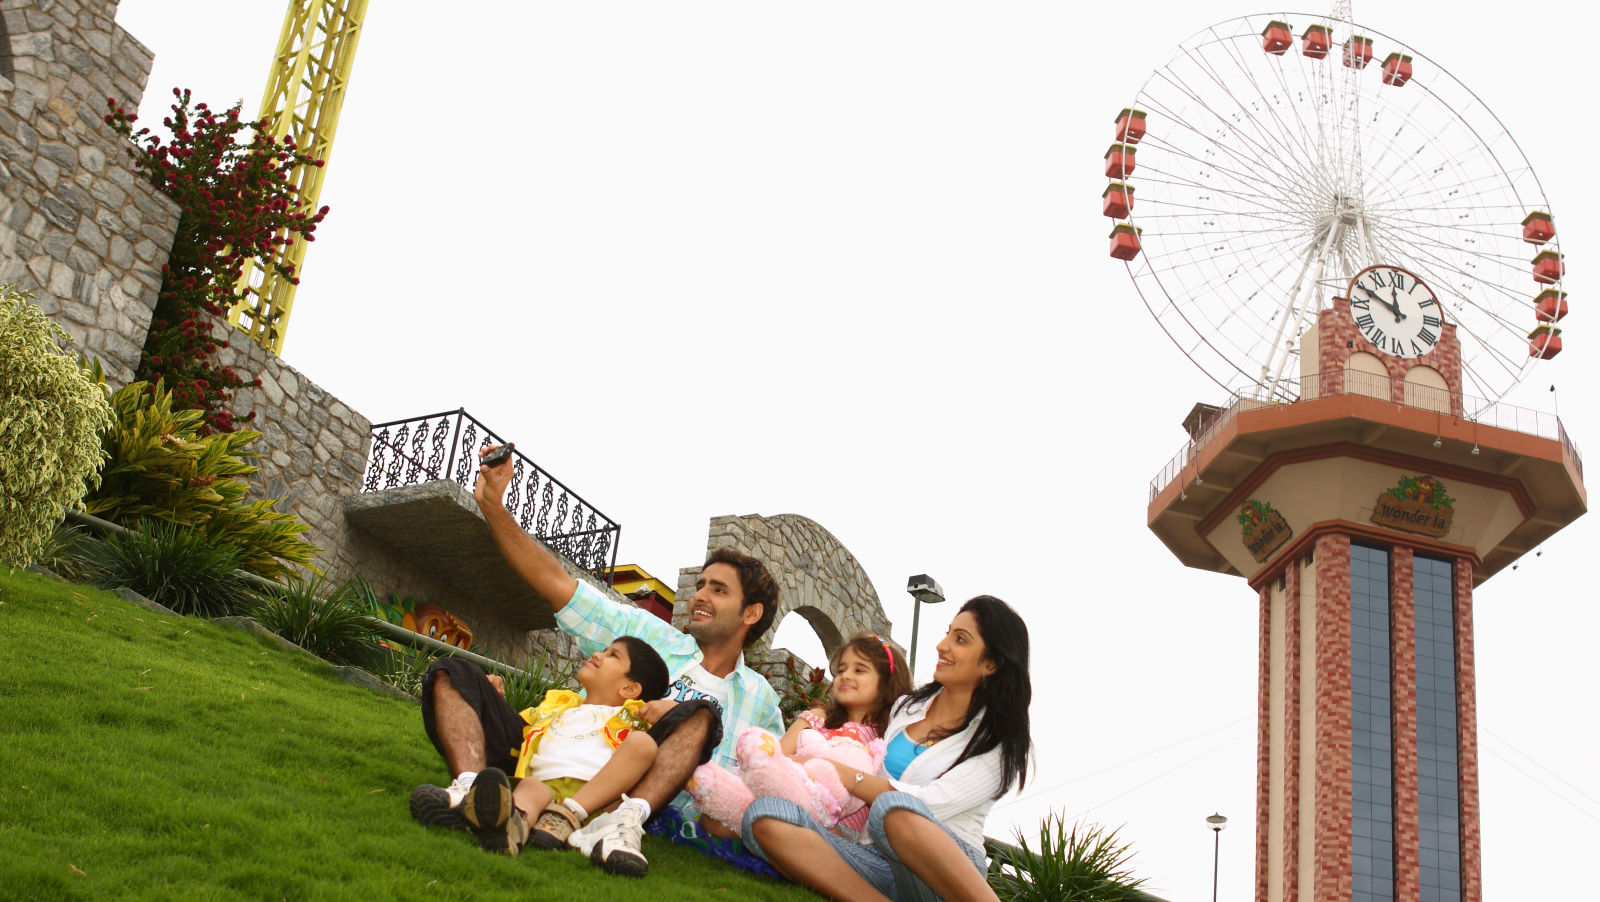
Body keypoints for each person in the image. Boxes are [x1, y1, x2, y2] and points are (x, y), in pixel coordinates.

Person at [410, 445, 784, 876]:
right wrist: (494, 507)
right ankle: (472, 792)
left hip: (627, 791)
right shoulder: (649, 636)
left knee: (700, 714)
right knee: (451, 671)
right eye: (700, 585)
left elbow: (770, 784)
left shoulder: (762, 703)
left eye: (718, 590)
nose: (699, 595)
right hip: (549, 756)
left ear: (750, 613)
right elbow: (557, 585)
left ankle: (609, 821)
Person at [741, 596, 1032, 902]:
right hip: (876, 859)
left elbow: (925, 804)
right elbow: (859, 719)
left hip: (946, 878)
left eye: (960, 639)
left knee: (891, 809)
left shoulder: (997, 743)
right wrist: (821, 718)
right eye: (948, 633)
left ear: (991, 663)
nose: (942, 645)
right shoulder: (907, 707)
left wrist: (838, 772)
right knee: (764, 816)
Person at [444, 636, 668, 867]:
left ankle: (568, 815)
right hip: (543, 785)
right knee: (530, 788)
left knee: (643, 743)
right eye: (604, 649)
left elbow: (669, 733)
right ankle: (508, 830)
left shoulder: (634, 717)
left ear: (629, 688)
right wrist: (495, 698)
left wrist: (670, 706)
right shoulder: (557, 706)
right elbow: (517, 726)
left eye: (613, 655)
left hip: (595, 796)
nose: (597, 655)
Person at [689, 632, 910, 835]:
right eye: (841, 670)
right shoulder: (817, 718)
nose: (845, 675)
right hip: (784, 796)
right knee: (719, 819)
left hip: (838, 828)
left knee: (775, 826)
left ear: (887, 683)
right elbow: (774, 756)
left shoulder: (886, 737)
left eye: (859, 670)